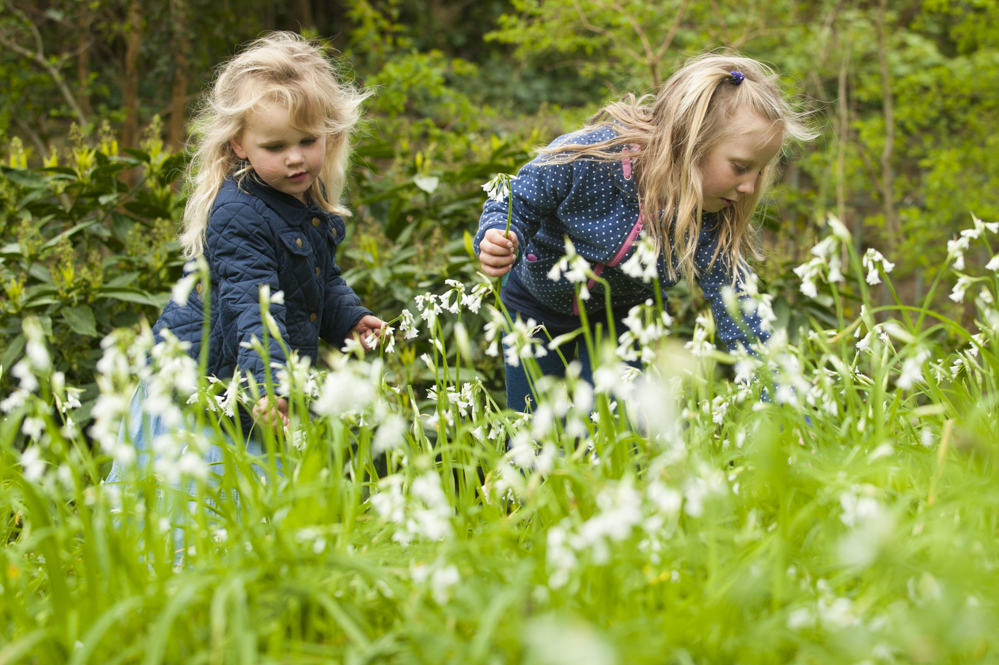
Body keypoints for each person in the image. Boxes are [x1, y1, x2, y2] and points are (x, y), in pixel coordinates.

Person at [106, 31, 382, 497]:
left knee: (257, 508)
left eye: (308, 140)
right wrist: (269, 386)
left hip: (252, 377)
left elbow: (319, 278)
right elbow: (253, 305)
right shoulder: (239, 211)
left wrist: (349, 318)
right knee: (201, 508)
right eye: (275, 147)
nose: (295, 158)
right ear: (239, 145)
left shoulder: (301, 197)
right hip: (204, 387)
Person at [474, 53, 815, 412]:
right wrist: (502, 232)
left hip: (626, 317)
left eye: (759, 172)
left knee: (609, 426)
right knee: (531, 424)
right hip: (535, 305)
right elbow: (518, 196)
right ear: (690, 142)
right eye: (741, 167)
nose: (749, 187)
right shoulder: (591, 159)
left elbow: (742, 314)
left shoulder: (712, 218)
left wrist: (784, 410)